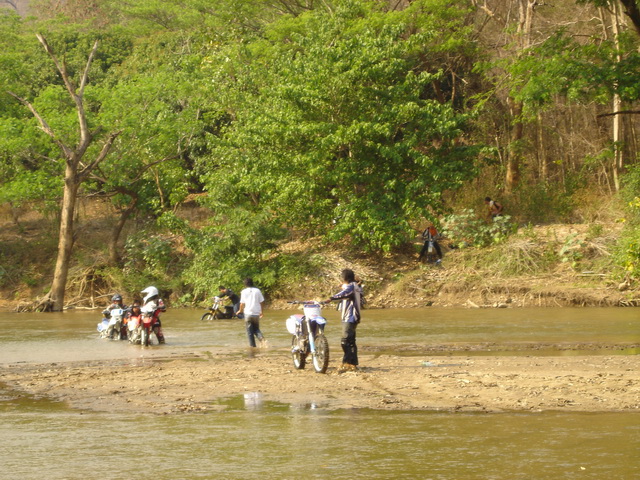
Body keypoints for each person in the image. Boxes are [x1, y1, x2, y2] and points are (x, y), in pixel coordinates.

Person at [326, 269, 363, 372]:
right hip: (355, 317)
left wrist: (331, 298)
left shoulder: (351, 287)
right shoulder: (356, 286)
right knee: (351, 341)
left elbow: (344, 293)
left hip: (350, 317)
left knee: (345, 340)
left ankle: (346, 362)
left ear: (344, 278)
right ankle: (352, 363)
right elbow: (350, 290)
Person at [237, 277, 266, 348]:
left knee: (250, 332)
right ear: (252, 283)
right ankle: (262, 339)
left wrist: (240, 310)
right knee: (256, 329)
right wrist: (261, 311)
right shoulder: (257, 291)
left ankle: (252, 346)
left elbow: (242, 303)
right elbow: (262, 302)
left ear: (245, 284)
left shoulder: (243, 292)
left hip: (248, 313)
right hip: (256, 313)